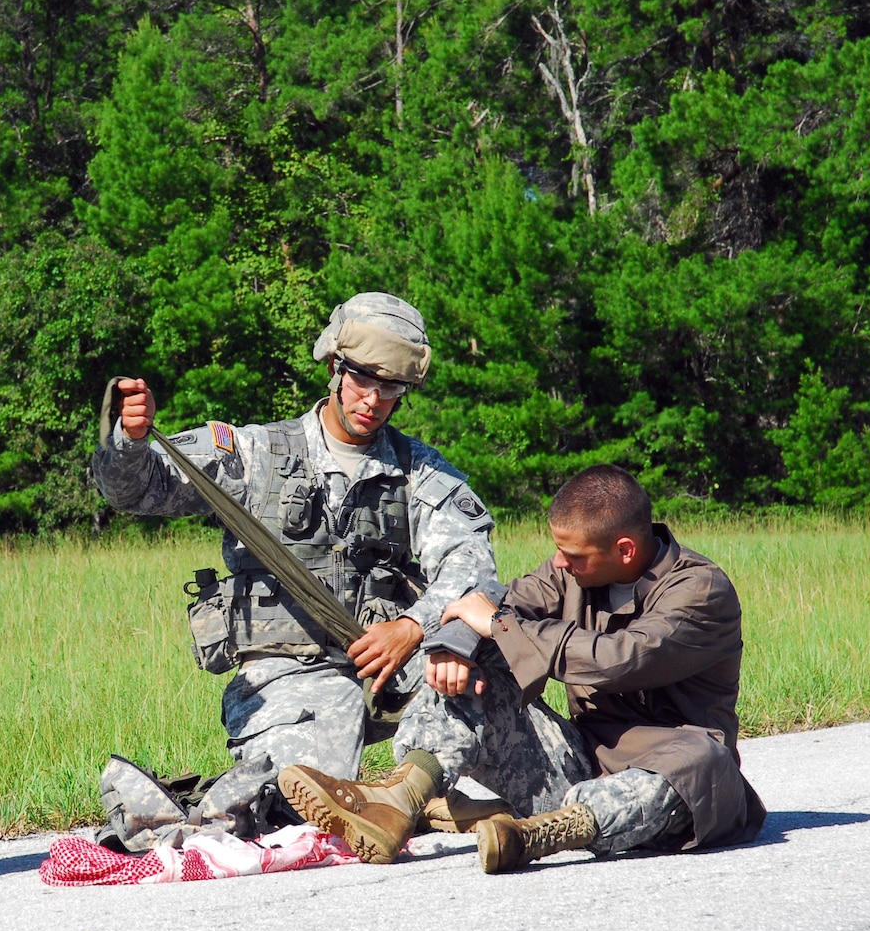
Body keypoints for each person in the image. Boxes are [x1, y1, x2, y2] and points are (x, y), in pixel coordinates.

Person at [92, 292, 542, 852]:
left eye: (392, 387)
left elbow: (470, 562)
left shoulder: (418, 472)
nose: (374, 400)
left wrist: (414, 628)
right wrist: (130, 444)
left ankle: (419, 790)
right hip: (290, 675)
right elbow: (139, 490)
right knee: (289, 806)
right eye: (363, 379)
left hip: (394, 665)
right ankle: (415, 802)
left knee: (519, 741)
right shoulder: (252, 453)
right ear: (334, 366)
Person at [281, 464, 767, 872]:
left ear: (624, 549)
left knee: (703, 759)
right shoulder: (569, 574)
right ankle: (400, 800)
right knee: (482, 659)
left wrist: (498, 625)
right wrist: (455, 646)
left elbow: (622, 658)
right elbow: (501, 601)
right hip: (581, 763)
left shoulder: (701, 591)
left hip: (673, 779)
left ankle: (537, 836)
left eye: (572, 554)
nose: (558, 562)